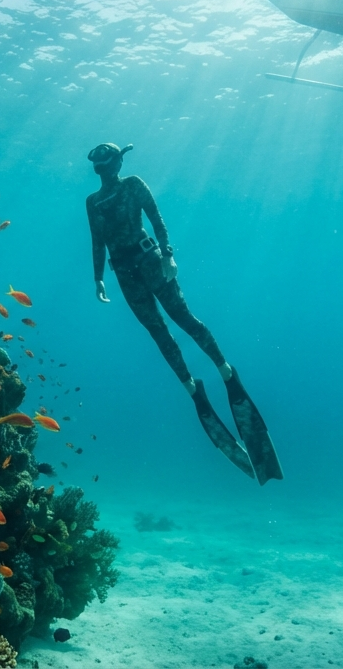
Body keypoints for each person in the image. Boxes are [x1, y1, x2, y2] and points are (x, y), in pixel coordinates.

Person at [85, 142, 282, 484]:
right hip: (129, 271)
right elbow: (97, 241)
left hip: (146, 263)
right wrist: (98, 277)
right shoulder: (96, 200)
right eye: (107, 164)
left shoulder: (132, 185)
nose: (108, 168)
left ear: (112, 164)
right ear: (109, 165)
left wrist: (167, 254)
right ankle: (199, 385)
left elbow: (155, 218)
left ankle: (222, 373)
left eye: (109, 162)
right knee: (162, 332)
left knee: (181, 322)